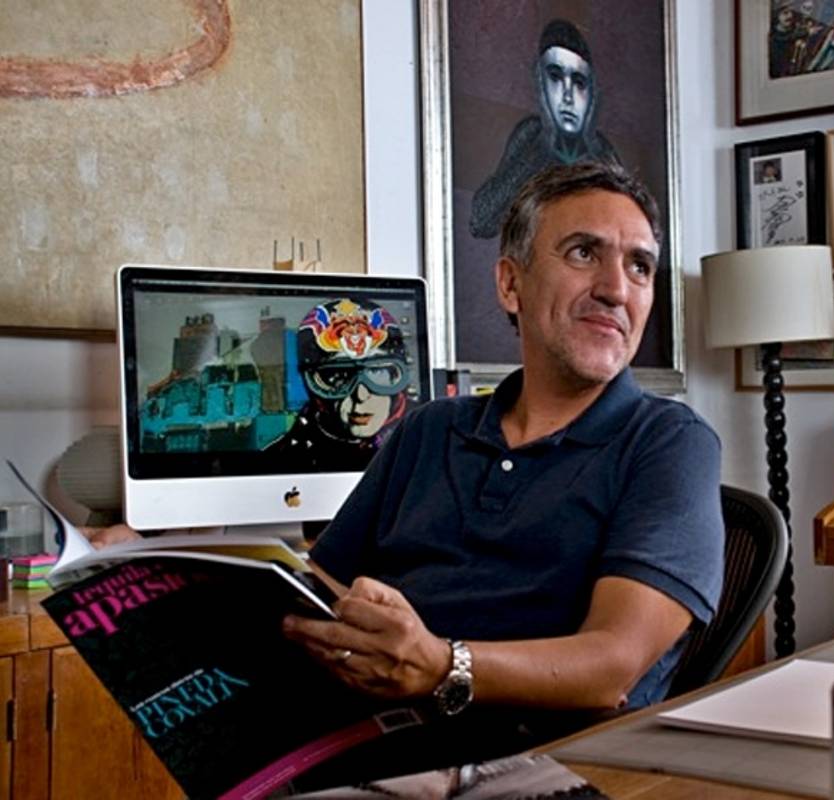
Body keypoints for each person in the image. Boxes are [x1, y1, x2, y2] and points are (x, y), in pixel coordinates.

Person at [86, 162, 725, 786]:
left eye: (639, 266)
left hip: (536, 761)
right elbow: (323, 592)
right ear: (511, 284)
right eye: (584, 253)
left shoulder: (669, 442)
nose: (617, 288)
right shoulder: (429, 429)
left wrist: (442, 665)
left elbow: (613, 665)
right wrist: (170, 562)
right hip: (366, 736)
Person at [468, 19, 621, 240]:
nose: (567, 96)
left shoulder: (603, 154)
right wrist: (536, 152)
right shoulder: (530, 136)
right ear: (541, 82)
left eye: (578, 82)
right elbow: (481, 222)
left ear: (592, 93)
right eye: (556, 77)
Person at [266, 297, 411, 470]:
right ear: (314, 386)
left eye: (378, 372)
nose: (361, 395)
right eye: (339, 376)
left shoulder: (422, 437)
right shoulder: (281, 462)